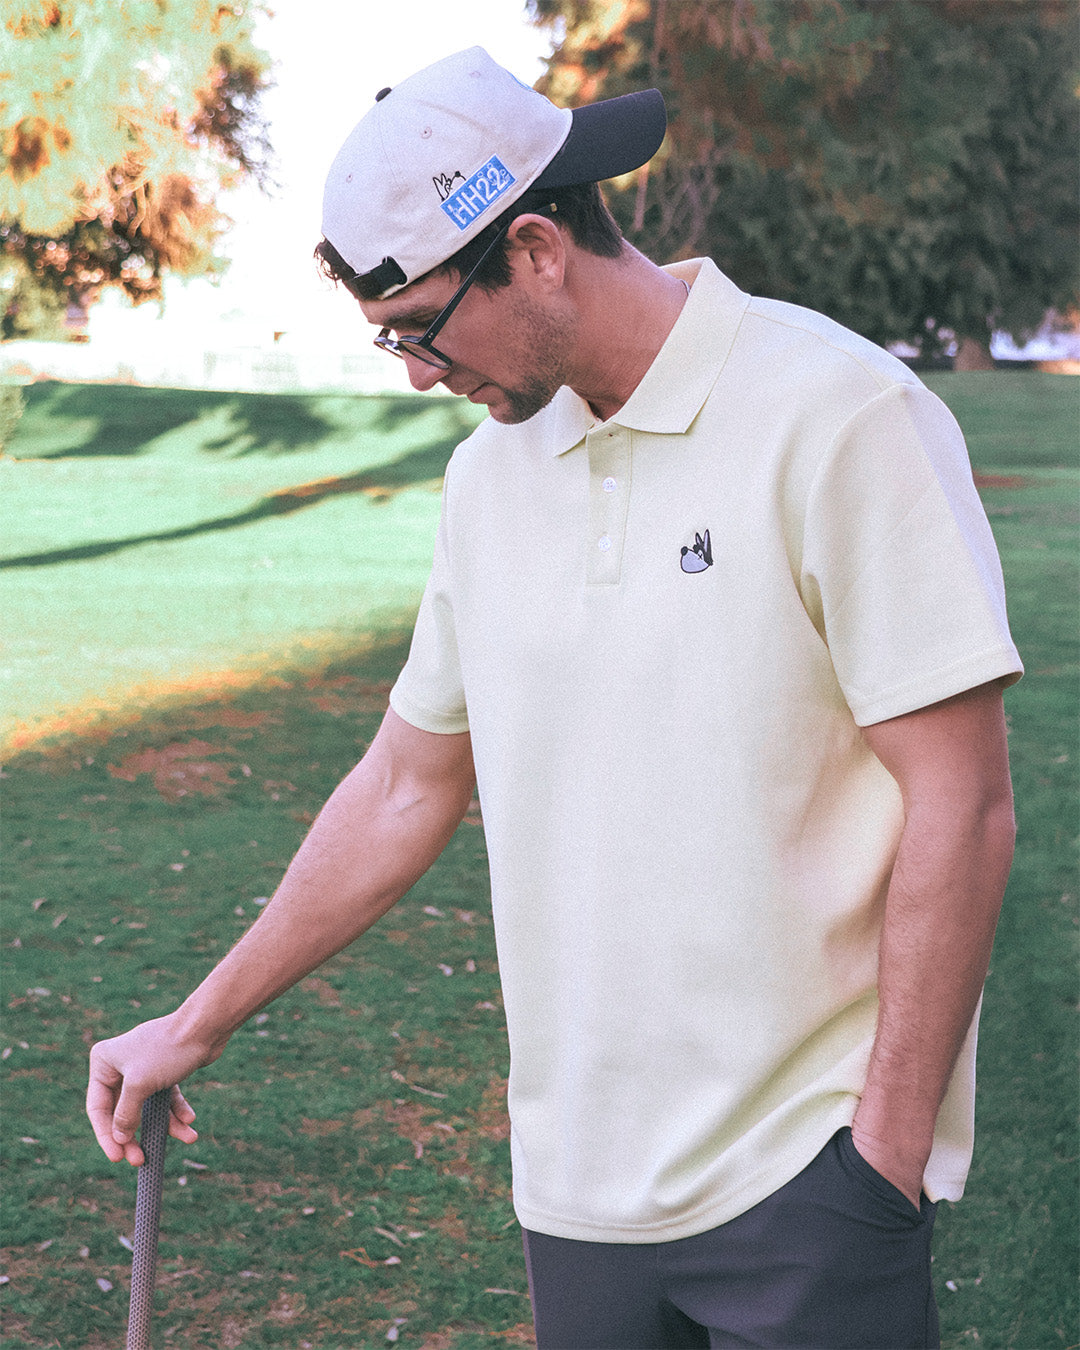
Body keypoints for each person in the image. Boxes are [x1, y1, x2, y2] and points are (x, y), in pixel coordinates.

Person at [87, 47, 1023, 1349]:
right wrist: (196, 1020)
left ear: (533, 247)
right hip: (577, 1200)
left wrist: (884, 1150)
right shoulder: (489, 482)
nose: (415, 371)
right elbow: (410, 781)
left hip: (808, 1192)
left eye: (419, 327)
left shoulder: (841, 415)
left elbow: (963, 801)